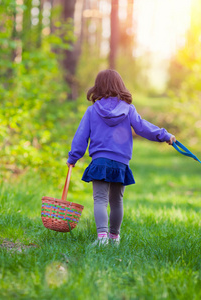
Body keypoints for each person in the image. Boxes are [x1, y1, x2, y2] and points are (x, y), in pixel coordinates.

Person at [67, 69, 176, 245]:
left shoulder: (92, 111)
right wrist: (164, 135)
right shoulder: (128, 110)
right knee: (117, 201)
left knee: (100, 199)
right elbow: (143, 127)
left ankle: (102, 239)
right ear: (120, 86)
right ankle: (114, 238)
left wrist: (73, 157)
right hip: (120, 162)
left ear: (98, 87)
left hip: (100, 161)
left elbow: (81, 137)